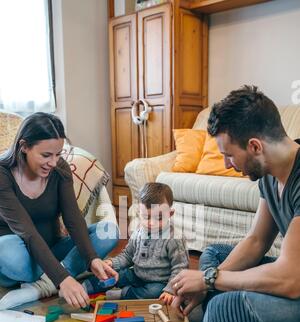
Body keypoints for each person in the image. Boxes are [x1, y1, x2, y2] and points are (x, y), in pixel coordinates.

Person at [169, 85, 300, 322]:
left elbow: (292, 280)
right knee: (214, 253)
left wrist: (210, 280)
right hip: (293, 278)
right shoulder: (269, 173)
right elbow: (256, 241)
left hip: (296, 285)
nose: (228, 164)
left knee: (220, 308)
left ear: (254, 146)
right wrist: (207, 285)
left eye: (229, 155)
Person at [0, 112, 119, 310]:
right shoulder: (3, 174)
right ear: (24, 146)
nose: (54, 163)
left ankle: (40, 287)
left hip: (52, 249)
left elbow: (73, 219)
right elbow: (27, 232)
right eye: (46, 155)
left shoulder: (60, 169)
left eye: (58, 154)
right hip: (17, 253)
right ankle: (61, 274)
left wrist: (92, 257)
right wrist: (63, 278)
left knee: (109, 232)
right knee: (10, 254)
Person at [83, 182, 189, 302]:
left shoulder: (174, 239)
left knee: (154, 293)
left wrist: (170, 289)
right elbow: (128, 255)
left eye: (159, 218)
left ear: (170, 214)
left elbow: (180, 267)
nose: (151, 223)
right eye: (146, 217)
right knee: (112, 273)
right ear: (139, 213)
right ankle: (84, 288)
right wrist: (112, 263)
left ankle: (124, 293)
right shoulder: (138, 232)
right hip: (136, 274)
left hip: (159, 282)